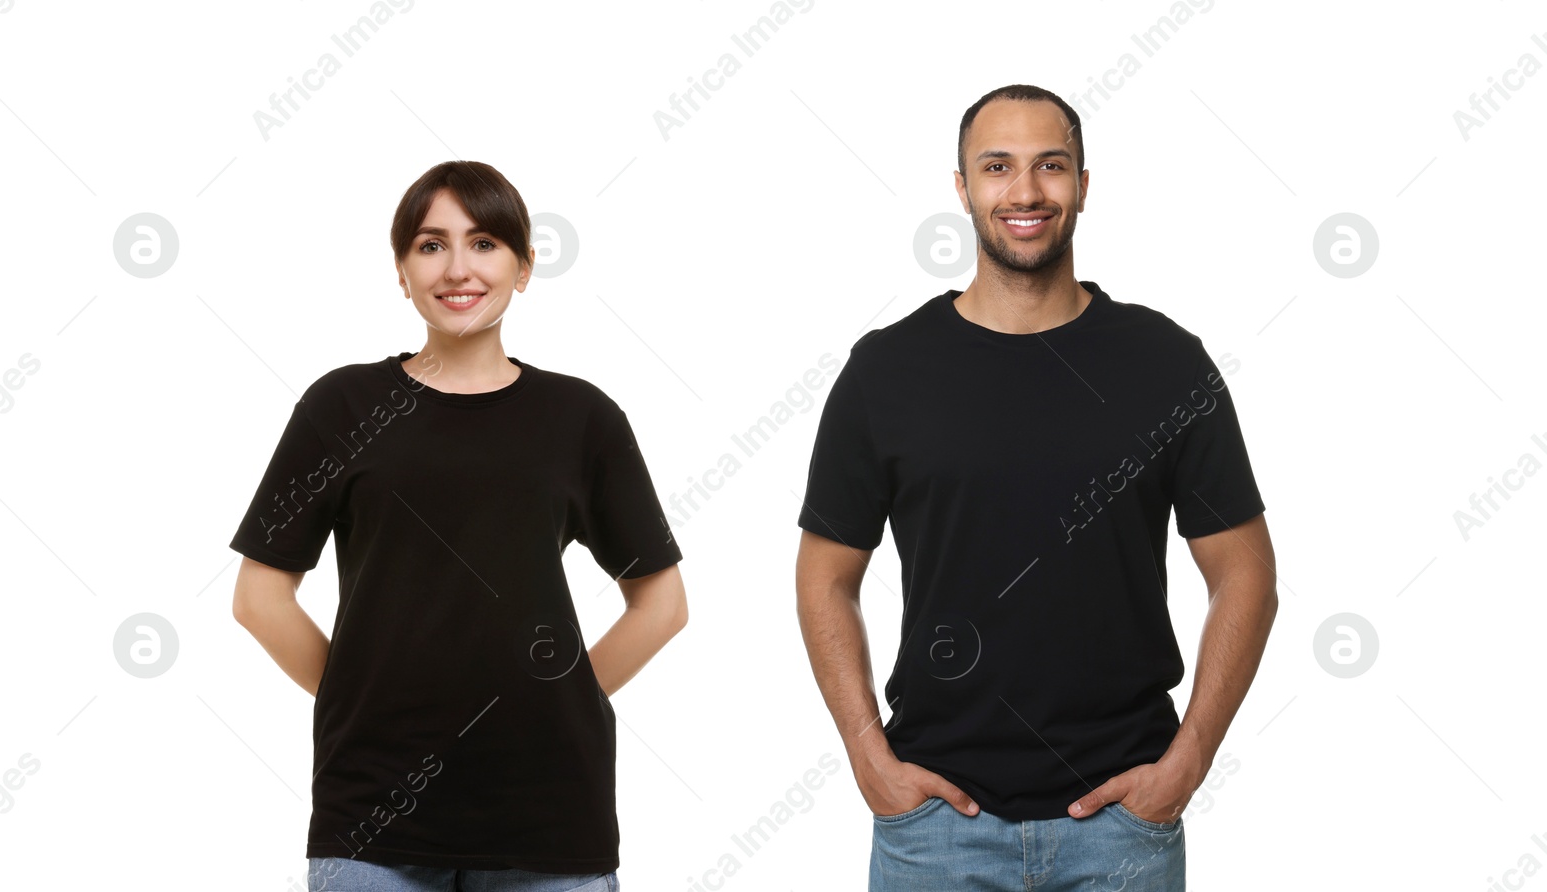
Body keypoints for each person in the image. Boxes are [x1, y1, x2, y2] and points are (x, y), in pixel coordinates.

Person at [794, 84, 1278, 891]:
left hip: (1125, 828)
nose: (1025, 192)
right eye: (997, 167)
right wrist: (867, 757)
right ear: (962, 188)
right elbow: (824, 578)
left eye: (1051, 166)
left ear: (1084, 184)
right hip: (936, 831)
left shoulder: (1165, 363)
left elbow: (1247, 576)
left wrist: (1187, 762)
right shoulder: (887, 370)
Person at [229, 160, 686, 892]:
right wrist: (364, 707)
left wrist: (554, 703)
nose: (457, 268)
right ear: (402, 272)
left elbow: (662, 605)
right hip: (372, 823)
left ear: (525, 267)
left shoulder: (581, 418)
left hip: (549, 821)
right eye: (430, 244)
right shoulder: (340, 407)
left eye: (484, 243)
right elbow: (258, 597)